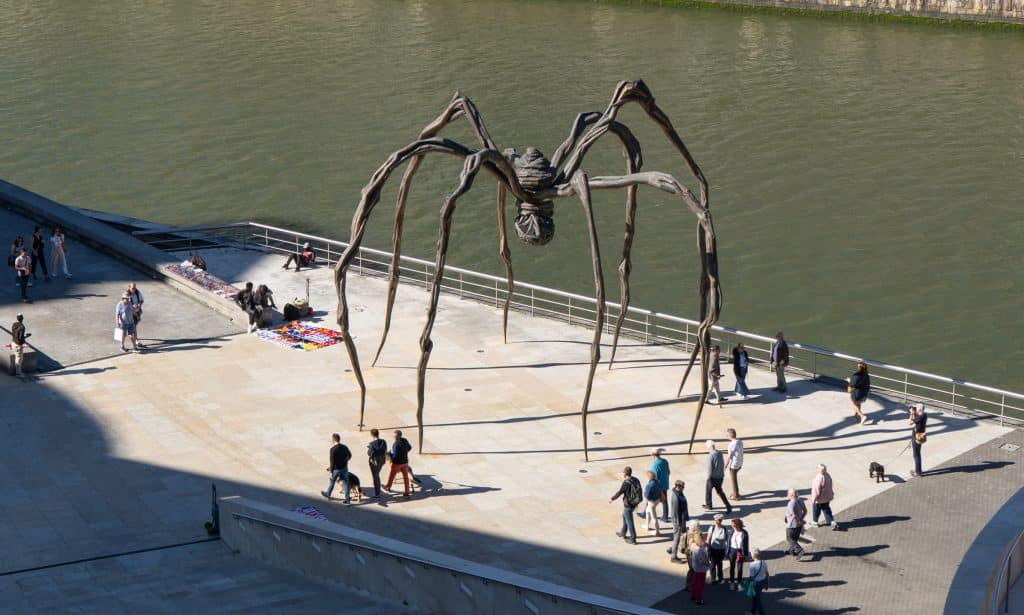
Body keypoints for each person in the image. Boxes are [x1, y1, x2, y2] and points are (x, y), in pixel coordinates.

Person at [609, 466, 642, 545]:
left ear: (625, 473)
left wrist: (612, 499)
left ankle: (633, 539)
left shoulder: (626, 483)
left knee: (630, 521)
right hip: (634, 503)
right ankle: (623, 532)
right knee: (624, 516)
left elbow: (620, 492)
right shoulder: (636, 479)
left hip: (628, 504)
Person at [321, 433, 352, 503]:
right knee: (345, 483)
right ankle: (347, 499)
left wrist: (331, 472)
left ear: (333, 440)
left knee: (332, 481)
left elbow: (332, 462)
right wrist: (345, 461)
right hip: (344, 468)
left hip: (336, 469)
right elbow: (350, 455)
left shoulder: (332, 450)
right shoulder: (344, 447)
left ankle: (328, 494)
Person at [703, 440, 732, 513]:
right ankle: (728, 505)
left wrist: (708, 477)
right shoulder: (720, 453)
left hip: (712, 478)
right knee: (720, 491)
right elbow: (722, 464)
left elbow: (710, 468)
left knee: (708, 492)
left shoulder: (710, 456)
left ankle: (709, 505)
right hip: (720, 476)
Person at [384, 430, 413, 497]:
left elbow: (395, 456)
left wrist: (390, 454)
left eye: (395, 436)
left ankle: (387, 487)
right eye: (394, 436)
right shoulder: (405, 440)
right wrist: (404, 453)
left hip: (397, 463)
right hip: (405, 462)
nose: (394, 437)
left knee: (392, 476)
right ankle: (407, 491)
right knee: (405, 477)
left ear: (399, 436)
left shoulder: (395, 444)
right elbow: (410, 447)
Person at [645, 448, 670, 522]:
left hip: (658, 486)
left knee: (649, 498)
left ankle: (644, 513)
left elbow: (654, 477)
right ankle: (665, 516)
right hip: (665, 483)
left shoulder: (655, 465)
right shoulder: (665, 461)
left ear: (653, 455)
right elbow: (668, 472)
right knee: (665, 501)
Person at [666, 480, 689, 562]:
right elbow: (675, 513)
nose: (684, 488)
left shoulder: (679, 493)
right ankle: (673, 557)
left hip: (681, 520)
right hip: (678, 521)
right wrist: (679, 524)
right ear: (678, 486)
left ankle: (672, 549)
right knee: (677, 537)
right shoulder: (676, 497)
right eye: (683, 487)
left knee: (678, 537)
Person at [810, 463, 838, 530]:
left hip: (819, 499)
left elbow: (816, 491)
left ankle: (815, 522)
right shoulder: (828, 475)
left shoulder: (819, 478)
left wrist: (813, 499)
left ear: (819, 470)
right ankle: (832, 522)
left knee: (816, 510)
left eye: (817, 468)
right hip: (827, 498)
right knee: (827, 510)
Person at [705, 514, 729, 584]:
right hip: (713, 549)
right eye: (717, 520)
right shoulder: (712, 528)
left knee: (719, 564)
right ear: (715, 520)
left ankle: (720, 578)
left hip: (721, 550)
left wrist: (727, 549)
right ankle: (713, 578)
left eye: (720, 520)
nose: (718, 521)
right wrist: (708, 548)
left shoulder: (724, 528)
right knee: (712, 565)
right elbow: (708, 539)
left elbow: (727, 539)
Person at [688, 530, 710, 605]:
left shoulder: (693, 546)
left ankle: (693, 595)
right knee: (700, 584)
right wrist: (708, 564)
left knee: (695, 582)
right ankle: (698, 598)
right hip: (701, 569)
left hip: (696, 567)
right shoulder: (700, 550)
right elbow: (702, 561)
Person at [727, 518, 750, 590]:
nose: (732, 527)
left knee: (740, 568)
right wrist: (727, 551)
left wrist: (745, 554)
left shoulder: (744, 533)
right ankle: (732, 582)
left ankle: (739, 582)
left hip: (740, 551)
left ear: (737, 525)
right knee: (732, 567)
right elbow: (728, 542)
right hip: (732, 550)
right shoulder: (731, 532)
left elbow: (746, 544)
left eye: (733, 525)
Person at [785, 488, 807, 557]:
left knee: (789, 538)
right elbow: (805, 511)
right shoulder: (800, 500)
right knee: (794, 539)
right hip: (799, 525)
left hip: (792, 525)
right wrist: (801, 519)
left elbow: (794, 515)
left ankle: (799, 550)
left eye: (788, 494)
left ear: (791, 495)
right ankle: (791, 551)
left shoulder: (791, 503)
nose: (787, 495)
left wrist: (799, 521)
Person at [366, 428, 388, 498]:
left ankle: (377, 493)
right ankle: (378, 489)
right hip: (382, 461)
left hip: (374, 462)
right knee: (377, 473)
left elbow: (369, 453)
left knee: (375, 477)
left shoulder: (372, 444)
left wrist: (370, 447)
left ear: (372, 435)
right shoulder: (383, 441)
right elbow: (385, 449)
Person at [747, 548, 770, 615]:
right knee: (755, 598)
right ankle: (752, 612)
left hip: (755, 584)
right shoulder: (764, 562)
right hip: (762, 582)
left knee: (758, 600)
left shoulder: (752, 565)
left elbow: (751, 577)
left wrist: (747, 582)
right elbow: (767, 574)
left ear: (753, 556)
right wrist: (767, 584)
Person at [724, 428, 744, 501]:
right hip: (740, 463)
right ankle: (735, 492)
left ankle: (736, 495)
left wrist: (725, 465)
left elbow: (729, 456)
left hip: (734, 465)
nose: (726, 436)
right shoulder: (740, 441)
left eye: (727, 435)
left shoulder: (731, 445)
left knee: (733, 480)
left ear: (730, 435)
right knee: (734, 478)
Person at [910, 404, 928, 477]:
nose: (915, 409)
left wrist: (911, 413)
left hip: (917, 437)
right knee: (918, 454)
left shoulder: (919, 417)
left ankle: (918, 472)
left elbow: (910, 422)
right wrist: (915, 413)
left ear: (919, 410)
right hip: (921, 436)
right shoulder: (924, 415)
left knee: (916, 455)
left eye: (916, 408)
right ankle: (918, 470)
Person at [642, 470, 662, 535]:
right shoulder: (658, 482)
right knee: (648, 512)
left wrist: (644, 493)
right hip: (657, 500)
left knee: (654, 517)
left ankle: (657, 531)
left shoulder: (649, 485)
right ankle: (647, 526)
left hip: (652, 502)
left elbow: (647, 495)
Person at [11, 313, 29, 380]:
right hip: (18, 345)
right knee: (19, 359)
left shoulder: (14, 324)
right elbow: (20, 338)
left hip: (13, 342)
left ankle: (18, 372)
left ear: (17, 318)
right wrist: (26, 337)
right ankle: (18, 374)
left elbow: (14, 334)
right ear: (22, 318)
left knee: (18, 358)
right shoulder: (22, 327)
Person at [127, 283, 145, 348]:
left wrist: (139, 304)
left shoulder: (138, 292)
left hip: (137, 312)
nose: (134, 289)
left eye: (135, 288)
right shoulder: (127, 294)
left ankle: (133, 336)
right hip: (130, 313)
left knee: (134, 326)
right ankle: (136, 341)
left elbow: (142, 300)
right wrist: (132, 306)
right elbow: (125, 304)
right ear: (129, 288)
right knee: (133, 327)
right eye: (132, 288)